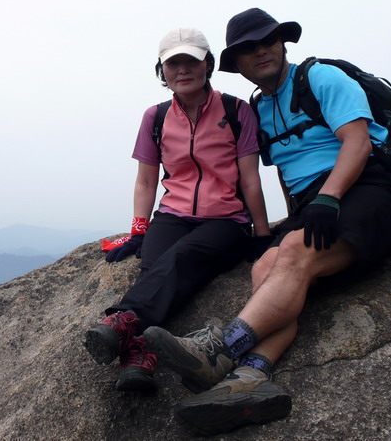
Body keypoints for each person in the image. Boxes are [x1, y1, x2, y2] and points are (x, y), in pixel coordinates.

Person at [142, 8, 391, 435]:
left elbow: (358, 141)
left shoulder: (322, 78)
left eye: (268, 42)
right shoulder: (261, 108)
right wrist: (286, 223)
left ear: (283, 43)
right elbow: (284, 172)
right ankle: (251, 378)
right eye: (248, 50)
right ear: (237, 64)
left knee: (293, 252)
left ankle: (220, 350)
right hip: (317, 202)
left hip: (371, 187)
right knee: (267, 266)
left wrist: (328, 198)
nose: (261, 52)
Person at [83, 27, 272, 392]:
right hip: (172, 215)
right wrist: (139, 230)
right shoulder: (155, 117)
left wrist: (262, 234)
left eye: (191, 61)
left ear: (207, 66)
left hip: (226, 221)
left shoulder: (236, 110)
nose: (182, 70)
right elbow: (146, 180)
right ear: (162, 71)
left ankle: (123, 323)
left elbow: (250, 178)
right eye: (173, 63)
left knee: (182, 258)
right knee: (155, 265)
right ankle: (139, 355)